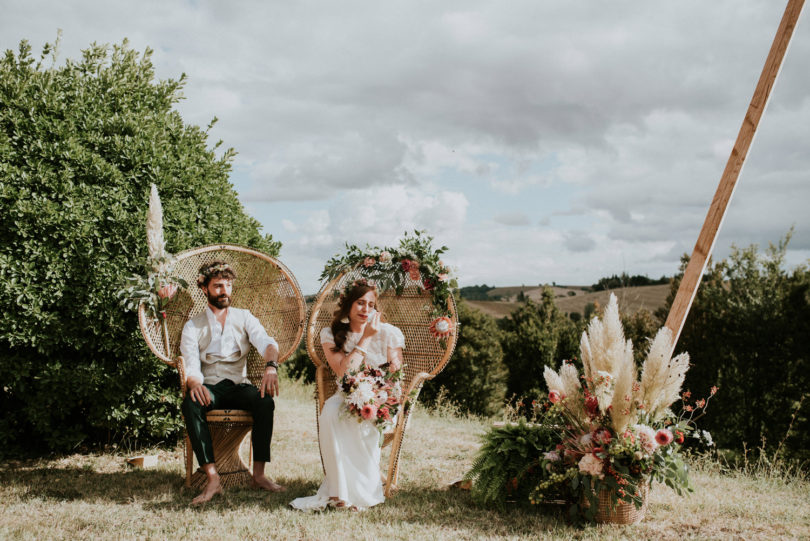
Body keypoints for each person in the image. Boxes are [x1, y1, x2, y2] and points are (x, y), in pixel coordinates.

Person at [290, 279, 405, 511]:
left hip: (381, 397)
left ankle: (363, 491)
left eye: (371, 305)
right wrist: (366, 337)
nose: (366, 309)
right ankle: (338, 493)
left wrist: (390, 370)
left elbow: (396, 369)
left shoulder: (390, 333)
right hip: (347, 394)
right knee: (331, 413)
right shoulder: (330, 334)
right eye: (360, 303)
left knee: (365, 419)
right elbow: (344, 372)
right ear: (348, 305)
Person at [179, 260, 285, 505]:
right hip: (210, 388)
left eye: (227, 285)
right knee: (191, 403)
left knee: (264, 401)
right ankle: (213, 478)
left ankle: (258, 475)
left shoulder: (244, 317)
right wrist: (195, 385)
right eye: (217, 286)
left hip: (239, 385)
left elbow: (267, 343)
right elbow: (191, 364)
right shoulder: (192, 325)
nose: (224, 291)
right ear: (204, 288)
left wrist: (271, 366)